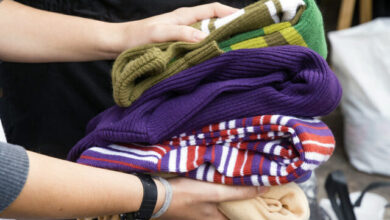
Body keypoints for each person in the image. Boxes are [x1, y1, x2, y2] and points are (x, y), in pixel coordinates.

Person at [0, 0, 267, 219]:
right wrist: (160, 197)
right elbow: (7, 176)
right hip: (65, 125)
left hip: (241, 118)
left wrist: (125, 35)